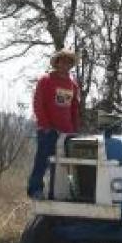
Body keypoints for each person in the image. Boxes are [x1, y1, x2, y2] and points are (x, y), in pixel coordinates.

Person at [27, 49, 81, 199]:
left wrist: (74, 130)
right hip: (48, 130)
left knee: (64, 164)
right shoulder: (45, 80)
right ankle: (35, 189)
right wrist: (45, 125)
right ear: (56, 63)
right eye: (62, 61)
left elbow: (74, 109)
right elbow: (38, 103)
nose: (66, 64)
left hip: (67, 132)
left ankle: (58, 193)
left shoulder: (73, 85)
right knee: (43, 160)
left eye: (69, 62)